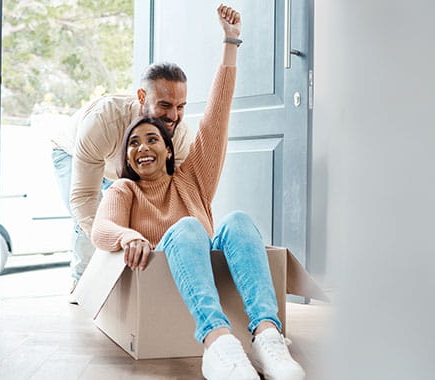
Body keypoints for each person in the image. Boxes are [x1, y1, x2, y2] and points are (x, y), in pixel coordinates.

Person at [90, 5, 305, 380]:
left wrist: (230, 41)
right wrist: (128, 235)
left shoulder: (193, 177)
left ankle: (268, 336)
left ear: (169, 148)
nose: (142, 148)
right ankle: (218, 342)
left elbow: (218, 113)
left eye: (152, 139)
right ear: (125, 155)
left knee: (237, 220)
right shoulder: (124, 189)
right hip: (173, 271)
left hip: (207, 256)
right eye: (133, 143)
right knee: (189, 227)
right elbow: (100, 229)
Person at [51, 62, 194, 290]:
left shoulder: (178, 135)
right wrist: (114, 242)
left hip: (123, 167)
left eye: (181, 107)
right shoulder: (103, 121)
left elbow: (169, 198)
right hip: (72, 152)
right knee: (89, 217)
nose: (173, 116)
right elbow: (84, 197)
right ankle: (83, 284)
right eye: (164, 105)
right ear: (141, 97)